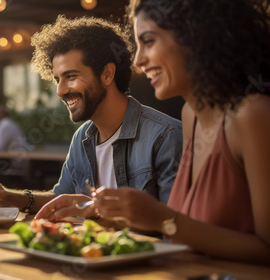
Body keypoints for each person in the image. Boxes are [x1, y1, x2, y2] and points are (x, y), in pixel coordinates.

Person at [36, 0, 270, 265]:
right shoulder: (191, 117)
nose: (138, 60)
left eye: (148, 41)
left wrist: (161, 219)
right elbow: (188, 234)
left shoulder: (252, 116)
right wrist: (112, 213)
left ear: (195, 37)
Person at [0, 15, 182, 218]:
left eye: (71, 76)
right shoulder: (83, 138)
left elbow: (175, 226)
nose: (60, 91)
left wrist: (99, 216)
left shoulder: (164, 138)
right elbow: (62, 198)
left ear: (107, 74)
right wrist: (10, 197)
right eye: (57, 79)